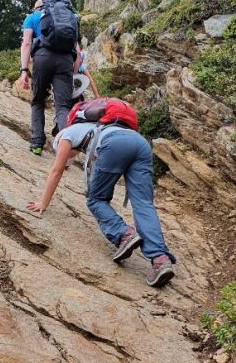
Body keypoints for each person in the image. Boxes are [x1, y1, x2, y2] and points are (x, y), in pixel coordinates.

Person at [26, 118, 176, 287]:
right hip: (139, 143)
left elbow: (56, 171)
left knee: (95, 199)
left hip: (115, 144)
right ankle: (161, 259)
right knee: (143, 204)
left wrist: (43, 203)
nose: (70, 156)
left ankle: (124, 234)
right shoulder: (92, 127)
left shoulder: (64, 138)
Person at [19, 0, 78, 156]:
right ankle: (64, 148)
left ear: (37, 7)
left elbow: (26, 43)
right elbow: (77, 51)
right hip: (65, 60)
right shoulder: (70, 18)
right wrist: (72, 73)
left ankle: (37, 142)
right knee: (63, 106)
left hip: (42, 58)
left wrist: (24, 70)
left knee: (38, 101)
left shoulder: (32, 17)